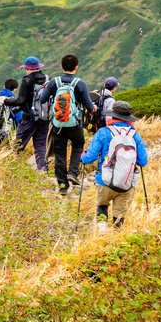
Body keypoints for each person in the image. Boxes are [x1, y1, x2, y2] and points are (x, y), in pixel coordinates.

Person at [81, 100, 149, 230]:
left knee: (102, 205)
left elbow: (91, 157)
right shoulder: (135, 136)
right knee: (119, 215)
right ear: (129, 118)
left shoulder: (103, 132)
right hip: (126, 183)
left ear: (112, 116)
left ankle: (102, 233)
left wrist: (83, 158)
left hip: (104, 180)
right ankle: (116, 238)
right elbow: (143, 162)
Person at [39, 54, 96, 196]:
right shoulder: (80, 83)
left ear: (61, 67)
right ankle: (72, 173)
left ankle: (63, 186)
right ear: (76, 67)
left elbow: (42, 99)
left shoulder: (54, 82)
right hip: (74, 124)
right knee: (78, 144)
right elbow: (89, 107)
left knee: (60, 153)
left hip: (58, 124)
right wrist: (94, 108)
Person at [4, 57, 50, 172]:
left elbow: (20, 101)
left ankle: (11, 169)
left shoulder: (27, 80)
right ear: (39, 67)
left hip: (29, 118)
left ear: (27, 68)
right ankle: (42, 170)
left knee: (19, 144)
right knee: (40, 146)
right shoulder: (48, 79)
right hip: (44, 117)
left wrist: (5, 100)